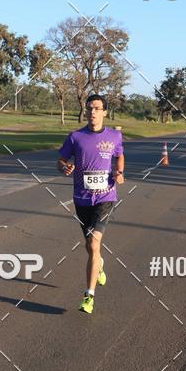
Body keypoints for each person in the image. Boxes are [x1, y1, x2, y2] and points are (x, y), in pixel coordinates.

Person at [57, 94, 124, 315]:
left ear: (105, 111)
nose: (92, 112)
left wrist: (119, 172)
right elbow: (60, 160)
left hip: (105, 198)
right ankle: (100, 265)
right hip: (82, 199)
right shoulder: (75, 137)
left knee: (94, 245)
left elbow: (119, 156)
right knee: (89, 246)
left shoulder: (115, 135)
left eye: (96, 108)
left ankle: (89, 296)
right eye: (89, 108)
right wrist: (64, 167)